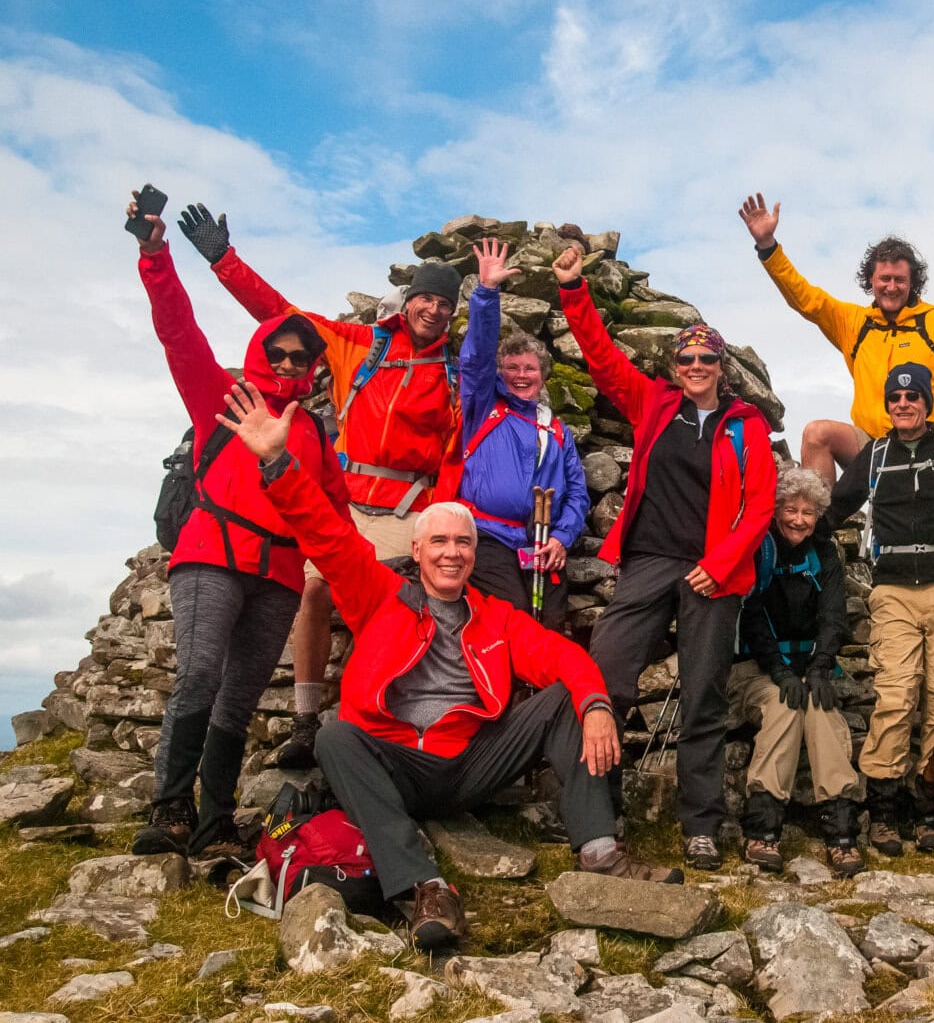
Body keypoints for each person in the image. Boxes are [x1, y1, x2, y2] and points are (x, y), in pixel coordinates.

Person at [216, 381, 679, 952]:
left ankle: (601, 854)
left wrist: (597, 705)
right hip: (395, 764)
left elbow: (563, 656)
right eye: (438, 541)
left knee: (570, 693)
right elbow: (326, 532)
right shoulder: (377, 593)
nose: (452, 552)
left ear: (475, 552)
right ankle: (427, 889)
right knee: (336, 737)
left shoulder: (497, 617)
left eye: (463, 542)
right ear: (416, 551)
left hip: (469, 763)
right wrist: (278, 462)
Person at [178, 203, 461, 770]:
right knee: (314, 590)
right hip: (343, 501)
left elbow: (455, 449)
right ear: (408, 302)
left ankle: (376, 717)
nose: (433, 308)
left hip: (409, 506)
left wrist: (444, 516)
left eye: (445, 303)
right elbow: (281, 316)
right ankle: (306, 720)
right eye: (426, 297)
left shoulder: (454, 370)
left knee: (393, 606)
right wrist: (223, 260)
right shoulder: (361, 344)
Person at [124, 194, 351, 859]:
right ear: (261, 352)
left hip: (279, 574)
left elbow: (335, 512)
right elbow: (178, 332)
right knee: (198, 676)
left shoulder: (311, 430)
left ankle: (214, 821)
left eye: (298, 359)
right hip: (211, 556)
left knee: (241, 697)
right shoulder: (218, 395)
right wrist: (155, 254)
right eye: (277, 354)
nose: (286, 366)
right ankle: (169, 810)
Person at [555, 249, 777, 872]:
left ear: (722, 366)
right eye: (687, 358)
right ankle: (597, 814)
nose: (697, 366)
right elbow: (600, 357)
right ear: (674, 365)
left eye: (708, 358)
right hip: (650, 559)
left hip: (716, 571)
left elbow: (760, 500)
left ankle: (700, 826)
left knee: (704, 697)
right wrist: (573, 289)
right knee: (606, 676)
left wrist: (723, 562)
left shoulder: (746, 422)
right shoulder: (653, 402)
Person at [828, 363, 934, 857]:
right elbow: (837, 506)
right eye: (895, 399)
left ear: (928, 403)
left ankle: (929, 810)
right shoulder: (876, 454)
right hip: (893, 591)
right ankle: (883, 813)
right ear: (887, 406)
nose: (904, 404)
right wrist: (793, 536)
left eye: (913, 397)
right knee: (893, 696)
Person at [738, 193, 934, 484]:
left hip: (932, 444)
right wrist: (768, 247)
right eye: (884, 279)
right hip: (874, 446)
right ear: (871, 281)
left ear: (912, 283)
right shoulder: (855, 323)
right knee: (817, 434)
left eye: (899, 280)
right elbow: (807, 300)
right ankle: (818, 525)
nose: (891, 287)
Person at [734, 468, 866, 877]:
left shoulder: (823, 553)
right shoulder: (760, 550)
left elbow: (833, 616)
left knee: (822, 710)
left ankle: (841, 832)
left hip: (808, 665)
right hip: (755, 667)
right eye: (790, 510)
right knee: (784, 706)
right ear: (775, 512)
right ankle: (763, 829)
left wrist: (820, 668)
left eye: (808, 512)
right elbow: (753, 617)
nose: (798, 519)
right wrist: (779, 671)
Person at [457, 237, 590, 627]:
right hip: (487, 537)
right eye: (512, 368)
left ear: (543, 375)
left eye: (530, 368)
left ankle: (545, 692)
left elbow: (577, 491)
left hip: (542, 543)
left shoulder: (556, 429)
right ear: (500, 373)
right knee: (513, 617)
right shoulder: (483, 407)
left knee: (550, 623)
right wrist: (486, 293)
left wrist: (561, 538)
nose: (520, 376)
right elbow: (476, 356)